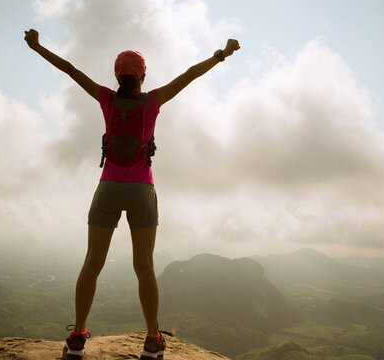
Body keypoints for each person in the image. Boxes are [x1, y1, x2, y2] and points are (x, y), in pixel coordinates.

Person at [24, 28, 240, 360]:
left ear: (116, 75)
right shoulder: (152, 100)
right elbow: (190, 75)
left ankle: (78, 338)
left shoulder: (106, 99)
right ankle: (152, 341)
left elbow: (68, 68)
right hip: (142, 189)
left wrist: (37, 47)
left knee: (92, 263)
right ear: (143, 76)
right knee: (145, 266)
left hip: (108, 187)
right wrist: (221, 54)